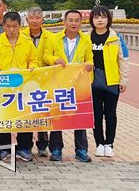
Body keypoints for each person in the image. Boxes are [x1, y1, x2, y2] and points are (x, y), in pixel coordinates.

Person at [0, 11, 38, 162]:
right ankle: (4, 148)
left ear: (20, 26)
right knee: (5, 117)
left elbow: (33, 59)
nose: (11, 30)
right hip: (3, 84)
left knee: (24, 116)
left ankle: (24, 147)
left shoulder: (27, 42)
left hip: (23, 84)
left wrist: (32, 68)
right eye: (8, 26)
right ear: (3, 26)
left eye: (14, 26)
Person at [44, 10, 94, 163]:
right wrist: (55, 60)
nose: (73, 23)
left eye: (77, 20)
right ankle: (56, 149)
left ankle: (81, 149)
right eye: (70, 20)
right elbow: (46, 56)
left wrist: (89, 66)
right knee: (57, 116)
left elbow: (90, 59)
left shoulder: (86, 40)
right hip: (59, 83)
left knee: (80, 117)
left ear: (81, 22)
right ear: (64, 22)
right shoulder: (54, 38)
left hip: (79, 85)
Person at [89, 6, 129, 158]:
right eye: (96, 17)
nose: (100, 20)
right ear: (92, 20)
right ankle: (99, 143)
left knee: (110, 113)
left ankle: (109, 144)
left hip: (111, 81)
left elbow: (123, 59)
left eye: (103, 17)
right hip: (92, 82)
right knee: (96, 114)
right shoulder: (87, 37)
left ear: (108, 19)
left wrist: (123, 79)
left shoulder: (116, 37)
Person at [21, 7, 54, 157]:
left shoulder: (50, 37)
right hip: (25, 80)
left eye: (37, 18)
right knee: (26, 113)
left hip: (44, 79)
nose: (34, 21)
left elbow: (52, 55)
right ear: (27, 20)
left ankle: (42, 145)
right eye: (31, 18)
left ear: (42, 19)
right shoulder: (21, 36)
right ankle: (26, 145)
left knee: (42, 112)